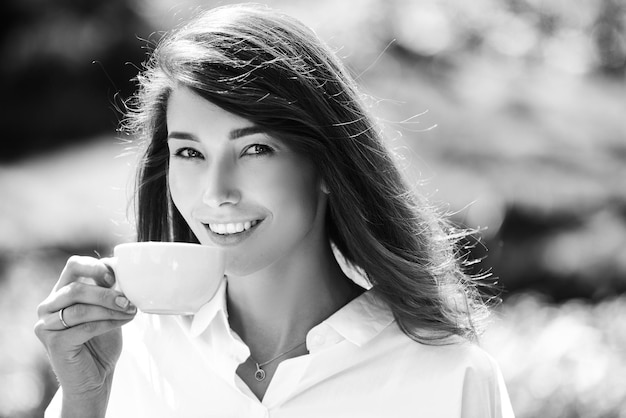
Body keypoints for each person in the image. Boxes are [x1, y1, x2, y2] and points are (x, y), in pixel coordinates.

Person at [35, 3, 515, 417]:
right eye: (190, 153)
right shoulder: (127, 357)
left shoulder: (451, 379)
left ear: (327, 164)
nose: (216, 192)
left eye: (255, 150)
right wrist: (84, 399)